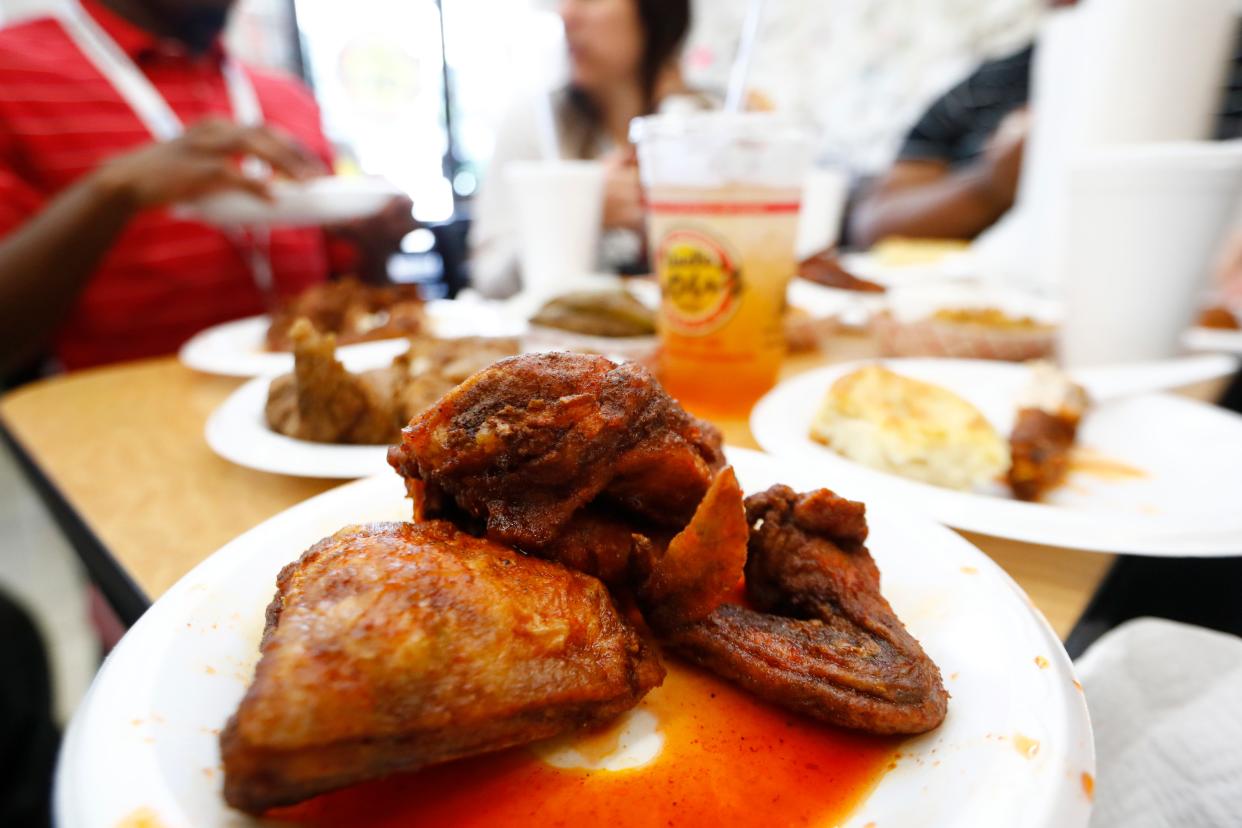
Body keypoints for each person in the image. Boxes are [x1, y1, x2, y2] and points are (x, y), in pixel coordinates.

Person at [0, 0, 414, 377]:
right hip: (115, 432)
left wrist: (374, 251)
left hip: (306, 423)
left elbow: (354, 289)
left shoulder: (287, 98)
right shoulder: (12, 72)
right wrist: (111, 191)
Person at [469, 0, 706, 298]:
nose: (567, 14)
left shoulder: (708, 129)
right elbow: (489, 283)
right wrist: (579, 211)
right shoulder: (533, 126)